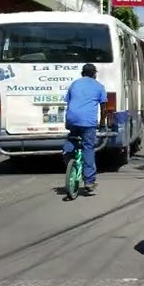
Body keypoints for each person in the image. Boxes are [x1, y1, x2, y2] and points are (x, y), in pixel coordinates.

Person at [63, 63, 108, 194]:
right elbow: (104, 109)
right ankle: (89, 181)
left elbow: (69, 103)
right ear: (94, 74)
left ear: (82, 73)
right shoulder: (99, 86)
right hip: (88, 123)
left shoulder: (74, 84)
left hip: (72, 119)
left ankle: (67, 154)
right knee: (88, 147)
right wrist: (102, 124)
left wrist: (68, 121)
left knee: (72, 137)